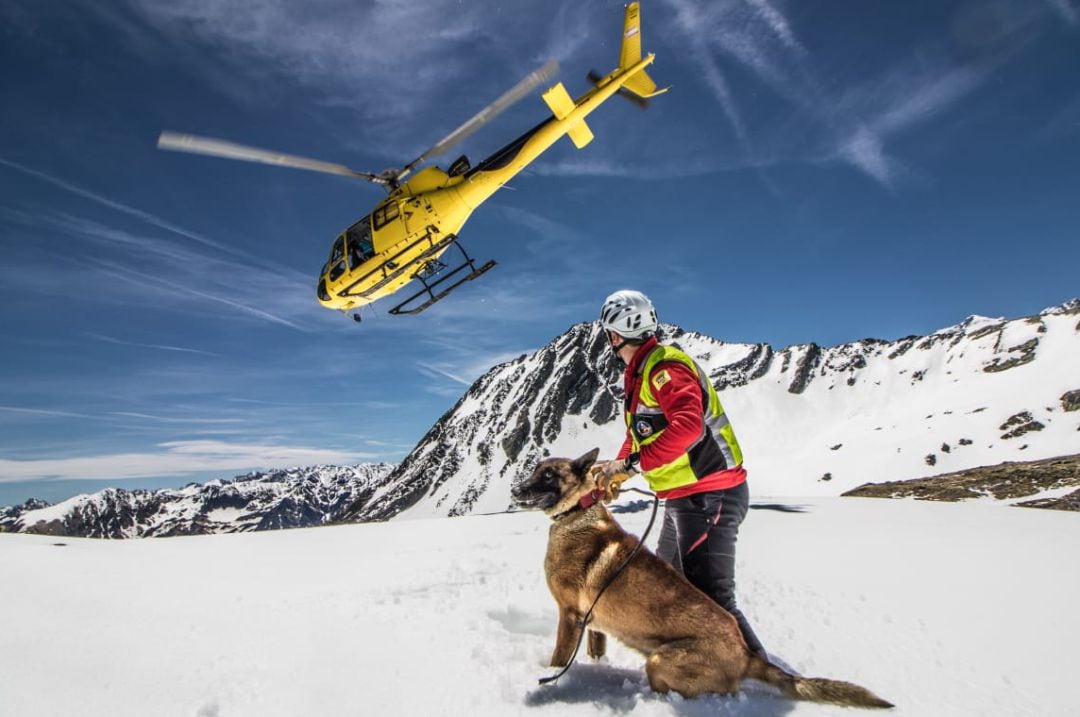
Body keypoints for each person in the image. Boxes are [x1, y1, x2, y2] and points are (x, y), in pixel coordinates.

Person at [592, 289, 766, 658]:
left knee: (712, 598)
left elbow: (689, 428)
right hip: (685, 498)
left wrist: (632, 465)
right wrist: (616, 469)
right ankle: (693, 660)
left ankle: (760, 683)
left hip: (709, 495)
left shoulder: (663, 369)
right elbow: (641, 435)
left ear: (616, 334)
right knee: (668, 579)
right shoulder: (644, 372)